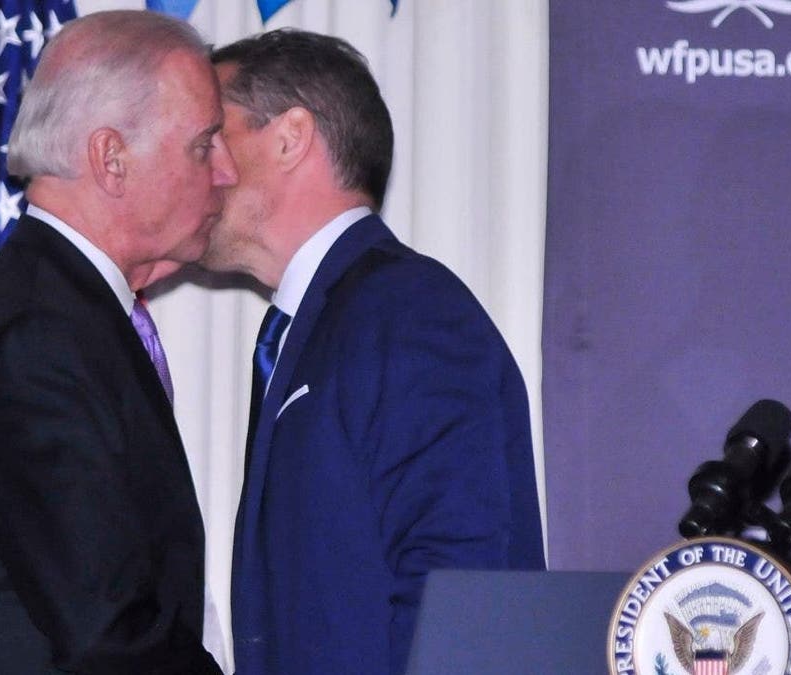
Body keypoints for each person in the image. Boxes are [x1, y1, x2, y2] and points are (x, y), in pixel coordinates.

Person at [0, 11, 236, 674]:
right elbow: (110, 634)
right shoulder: (36, 336)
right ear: (111, 158)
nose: (225, 170)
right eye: (205, 143)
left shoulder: (56, 313)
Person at [202, 29, 546, 675]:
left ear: (289, 136)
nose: (196, 166)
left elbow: (461, 590)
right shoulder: (320, 323)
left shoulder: (410, 312)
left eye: (211, 136)